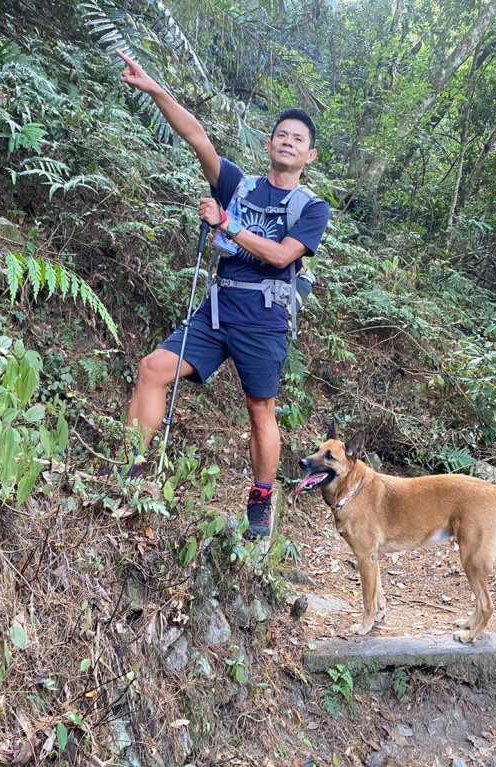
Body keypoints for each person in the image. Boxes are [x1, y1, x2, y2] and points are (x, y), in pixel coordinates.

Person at [116, 52, 332, 539]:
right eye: (282, 135)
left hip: (264, 318)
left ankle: (260, 501)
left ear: (309, 156)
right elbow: (197, 137)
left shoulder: (312, 208)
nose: (288, 142)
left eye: (299, 139)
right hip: (217, 308)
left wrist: (227, 225)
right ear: (270, 144)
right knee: (152, 369)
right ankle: (130, 473)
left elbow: (281, 257)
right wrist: (155, 89)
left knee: (260, 412)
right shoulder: (239, 184)